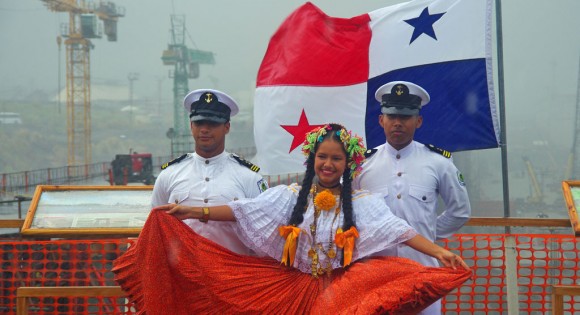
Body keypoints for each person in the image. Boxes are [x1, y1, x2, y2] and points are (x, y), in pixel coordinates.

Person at [114, 123, 471, 314]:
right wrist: (193, 211)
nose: (328, 165)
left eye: (336, 159)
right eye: (322, 158)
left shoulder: (362, 202)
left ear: (349, 165)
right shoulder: (289, 197)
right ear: (311, 160)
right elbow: (243, 211)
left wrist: (439, 254)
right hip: (291, 288)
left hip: (341, 290)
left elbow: (399, 231)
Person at [353, 81, 472, 315]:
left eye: (406, 117)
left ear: (418, 121)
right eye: (392, 115)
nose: (398, 122)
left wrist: (423, 235)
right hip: (374, 275)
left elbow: (459, 211)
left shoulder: (438, 162)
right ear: (381, 120)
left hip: (422, 273)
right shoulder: (362, 166)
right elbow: (350, 214)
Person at [151, 88, 268, 255]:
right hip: (183, 273)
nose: (204, 129)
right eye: (199, 123)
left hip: (231, 274)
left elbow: (264, 232)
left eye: (213, 123)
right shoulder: (169, 175)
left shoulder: (249, 177)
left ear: (227, 127)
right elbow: (156, 226)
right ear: (191, 126)